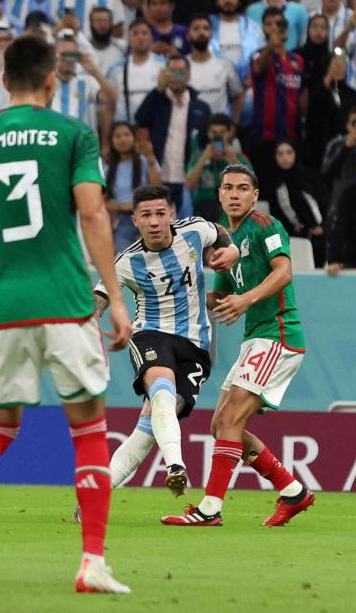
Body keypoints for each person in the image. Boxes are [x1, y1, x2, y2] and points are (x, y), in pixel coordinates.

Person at [0, 36, 133, 593]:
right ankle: (92, 561)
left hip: (1, 306)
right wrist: (114, 296)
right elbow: (92, 213)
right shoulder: (73, 135)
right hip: (65, 303)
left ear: (2, 81)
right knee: (89, 428)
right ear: (52, 81)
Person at [161, 163, 313, 528]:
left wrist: (245, 302)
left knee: (230, 419)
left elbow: (284, 272)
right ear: (219, 194)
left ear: (255, 195)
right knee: (220, 425)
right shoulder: (226, 243)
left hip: (277, 334)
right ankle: (291, 490)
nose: (234, 194)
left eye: (242, 188)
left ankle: (210, 509)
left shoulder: (265, 226)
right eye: (227, 188)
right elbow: (221, 296)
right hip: (256, 338)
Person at [97, 184, 239, 498]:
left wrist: (233, 249)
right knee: (162, 391)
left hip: (195, 345)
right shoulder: (126, 262)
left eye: (160, 213)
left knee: (151, 423)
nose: (154, 221)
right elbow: (99, 300)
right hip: (151, 334)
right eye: (146, 215)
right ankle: (175, 465)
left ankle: (97, 496)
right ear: (134, 220)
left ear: (171, 215)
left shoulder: (194, 231)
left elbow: (219, 232)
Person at [136, 55, 211, 215]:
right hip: (159, 177)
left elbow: (205, 141)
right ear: (165, 73)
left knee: (189, 229)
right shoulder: (156, 102)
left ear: (189, 75)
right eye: (172, 72)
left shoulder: (201, 107)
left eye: (181, 72)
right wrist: (158, 89)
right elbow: (140, 119)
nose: (177, 77)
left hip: (189, 180)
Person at [248, 7, 305, 189]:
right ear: (263, 29)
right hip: (265, 137)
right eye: (269, 24)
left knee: (292, 188)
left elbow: (302, 95)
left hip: (291, 135)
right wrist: (271, 47)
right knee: (266, 189)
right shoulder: (260, 55)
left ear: (286, 29)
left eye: (279, 23)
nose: (274, 28)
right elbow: (259, 69)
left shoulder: (298, 60)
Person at [268, 139, 325, 265]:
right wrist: (293, 226)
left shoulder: (310, 176)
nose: (285, 157)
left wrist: (322, 227)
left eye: (289, 152)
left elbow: (324, 203)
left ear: (295, 154)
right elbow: (275, 213)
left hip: (321, 234)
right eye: (280, 154)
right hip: (292, 236)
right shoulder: (274, 182)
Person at [105, 122, 162, 249]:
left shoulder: (145, 161)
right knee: (124, 256)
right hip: (123, 220)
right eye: (118, 136)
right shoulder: (108, 169)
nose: (122, 139)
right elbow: (103, 201)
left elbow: (158, 188)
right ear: (112, 141)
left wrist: (150, 158)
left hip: (149, 216)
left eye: (126, 134)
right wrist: (122, 206)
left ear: (134, 138)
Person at [185, 114, 250, 223]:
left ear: (229, 133)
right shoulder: (198, 158)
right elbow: (189, 185)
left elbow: (250, 185)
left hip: (232, 215)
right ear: (208, 133)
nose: (218, 136)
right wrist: (204, 159)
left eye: (222, 132)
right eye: (214, 132)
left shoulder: (238, 158)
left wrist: (232, 160)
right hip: (204, 215)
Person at [187, 14, 244, 121]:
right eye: (196, 29)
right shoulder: (182, 65)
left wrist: (235, 123)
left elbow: (238, 96)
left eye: (206, 28)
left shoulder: (225, 65)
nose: (201, 32)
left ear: (211, 34)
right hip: (190, 128)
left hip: (219, 129)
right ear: (188, 35)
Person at [107, 20, 165, 123]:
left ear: (151, 38)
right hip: (125, 129)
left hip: (155, 128)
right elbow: (109, 104)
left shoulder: (164, 65)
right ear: (128, 39)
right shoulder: (116, 68)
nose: (140, 37)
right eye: (135, 33)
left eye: (144, 33)